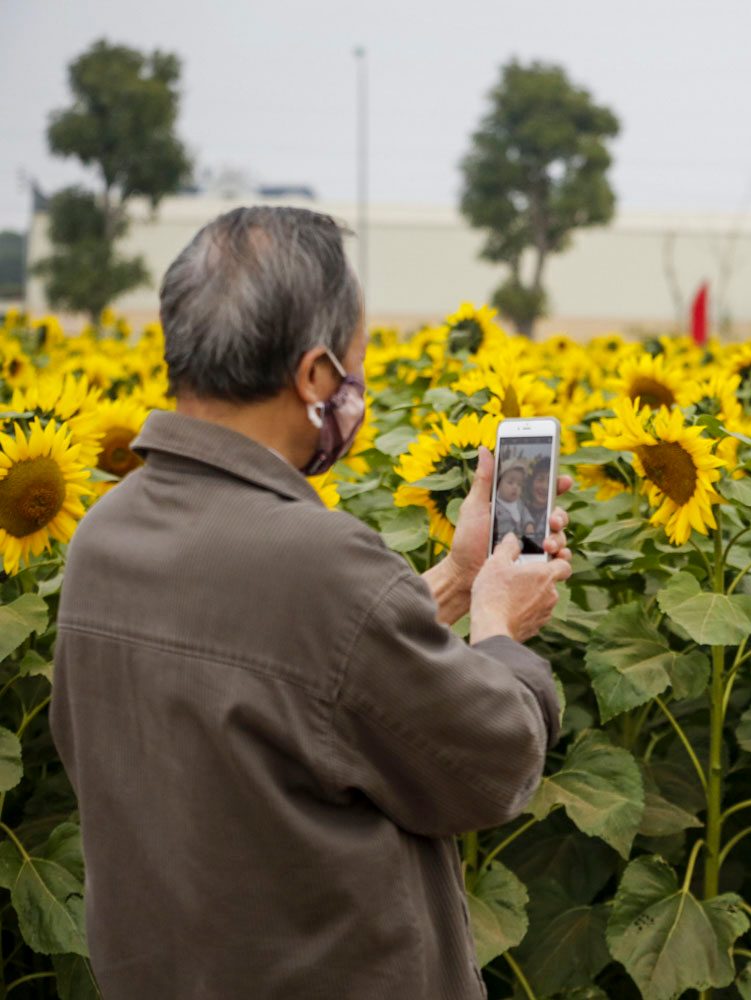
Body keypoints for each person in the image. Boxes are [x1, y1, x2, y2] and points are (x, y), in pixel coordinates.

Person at [51, 206, 573, 999]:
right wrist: (499, 627)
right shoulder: (317, 561)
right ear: (316, 375)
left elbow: (298, 672)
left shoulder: (104, 535)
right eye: (359, 359)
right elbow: (489, 761)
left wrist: (462, 579)